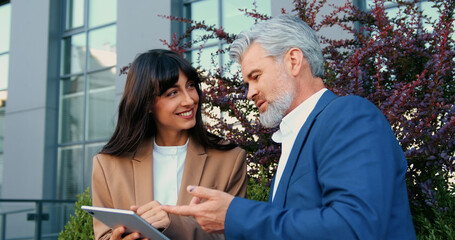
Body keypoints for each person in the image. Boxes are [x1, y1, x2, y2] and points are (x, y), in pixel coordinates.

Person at [162, 14, 417, 239]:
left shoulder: (350, 116)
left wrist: (234, 215)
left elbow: (354, 228)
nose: (249, 93)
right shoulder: (295, 139)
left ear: (294, 61)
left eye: (256, 76)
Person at [91, 49, 247, 240]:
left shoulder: (229, 159)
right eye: (173, 93)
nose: (190, 100)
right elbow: (105, 234)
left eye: (190, 86)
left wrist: (172, 223)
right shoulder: (107, 164)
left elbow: (234, 235)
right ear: (147, 103)